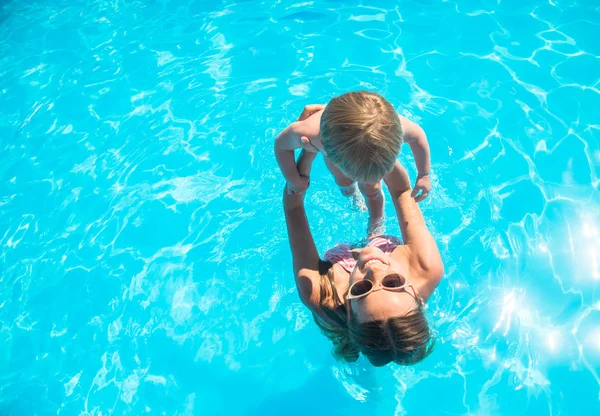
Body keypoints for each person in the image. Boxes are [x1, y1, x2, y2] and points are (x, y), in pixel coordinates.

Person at [281, 148, 444, 366]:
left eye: (361, 290)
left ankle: (350, 192)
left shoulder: (319, 293)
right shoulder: (426, 267)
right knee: (375, 215)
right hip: (383, 246)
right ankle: (369, 213)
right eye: (393, 282)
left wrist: (310, 151)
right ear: (414, 292)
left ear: (349, 310)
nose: (373, 269)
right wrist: (372, 148)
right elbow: (401, 191)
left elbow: (293, 207)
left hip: (340, 263)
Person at [275, 91, 432, 235]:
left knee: (373, 189)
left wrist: (423, 174)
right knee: (343, 180)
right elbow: (280, 145)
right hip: (334, 146)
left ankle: (376, 223)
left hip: (343, 142)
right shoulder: (310, 133)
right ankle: (353, 194)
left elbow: (419, 136)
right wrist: (294, 180)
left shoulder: (393, 127)